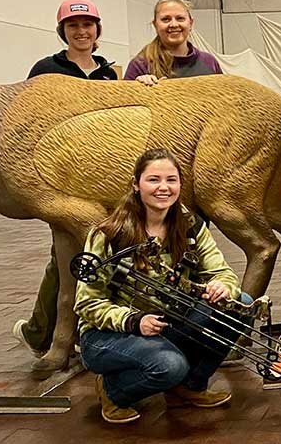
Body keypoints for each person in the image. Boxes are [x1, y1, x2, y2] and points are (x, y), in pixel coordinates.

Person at [75, 148, 245, 424]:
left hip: (167, 322)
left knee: (241, 306)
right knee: (169, 366)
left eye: (171, 180)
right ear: (135, 185)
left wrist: (222, 286)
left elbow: (222, 272)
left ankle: (187, 387)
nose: (163, 188)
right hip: (108, 335)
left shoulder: (190, 226)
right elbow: (86, 304)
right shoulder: (108, 235)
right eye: (153, 180)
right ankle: (113, 391)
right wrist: (132, 321)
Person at [14, 0, 120, 363]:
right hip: (65, 178)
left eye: (88, 25)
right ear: (63, 31)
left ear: (97, 30)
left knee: (85, 254)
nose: (81, 31)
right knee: (65, 257)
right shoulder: (45, 70)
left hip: (105, 175)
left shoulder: (110, 74)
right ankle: (46, 332)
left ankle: (51, 331)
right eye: (73, 25)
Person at [126, 0, 222, 85]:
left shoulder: (210, 62)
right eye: (165, 19)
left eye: (180, 18)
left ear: (191, 23)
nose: (174, 24)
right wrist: (138, 87)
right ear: (155, 25)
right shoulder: (140, 65)